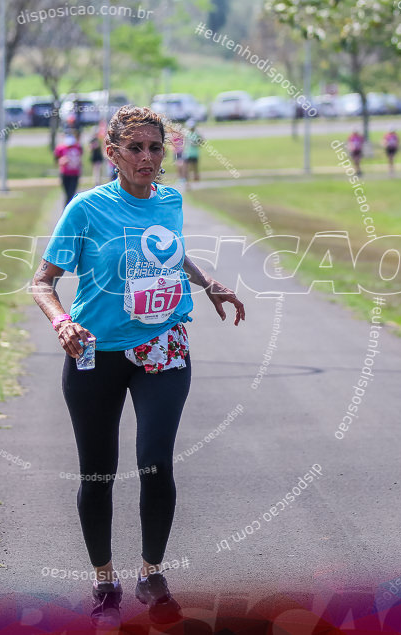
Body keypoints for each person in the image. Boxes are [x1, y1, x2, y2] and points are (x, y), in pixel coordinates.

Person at [30, 106, 246, 627]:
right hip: (95, 352)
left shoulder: (170, 200)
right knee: (98, 471)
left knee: (156, 461)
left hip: (163, 347)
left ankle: (152, 574)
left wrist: (208, 283)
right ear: (112, 154)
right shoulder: (85, 209)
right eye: (135, 148)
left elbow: (172, 255)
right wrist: (62, 323)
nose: (147, 157)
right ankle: (105, 581)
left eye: (155, 148)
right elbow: (41, 282)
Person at [54, 134, 84, 205]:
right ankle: (66, 209)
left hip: (75, 173)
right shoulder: (61, 148)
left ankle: (68, 209)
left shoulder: (78, 147)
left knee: (71, 193)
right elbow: (56, 159)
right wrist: (61, 161)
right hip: (65, 173)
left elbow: (80, 158)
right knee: (67, 193)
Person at [181, 119, 202, 183]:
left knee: (194, 168)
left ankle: (195, 181)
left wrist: (196, 143)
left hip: (193, 153)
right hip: (188, 153)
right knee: (187, 168)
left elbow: (201, 143)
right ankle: (186, 181)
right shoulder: (188, 134)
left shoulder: (196, 134)